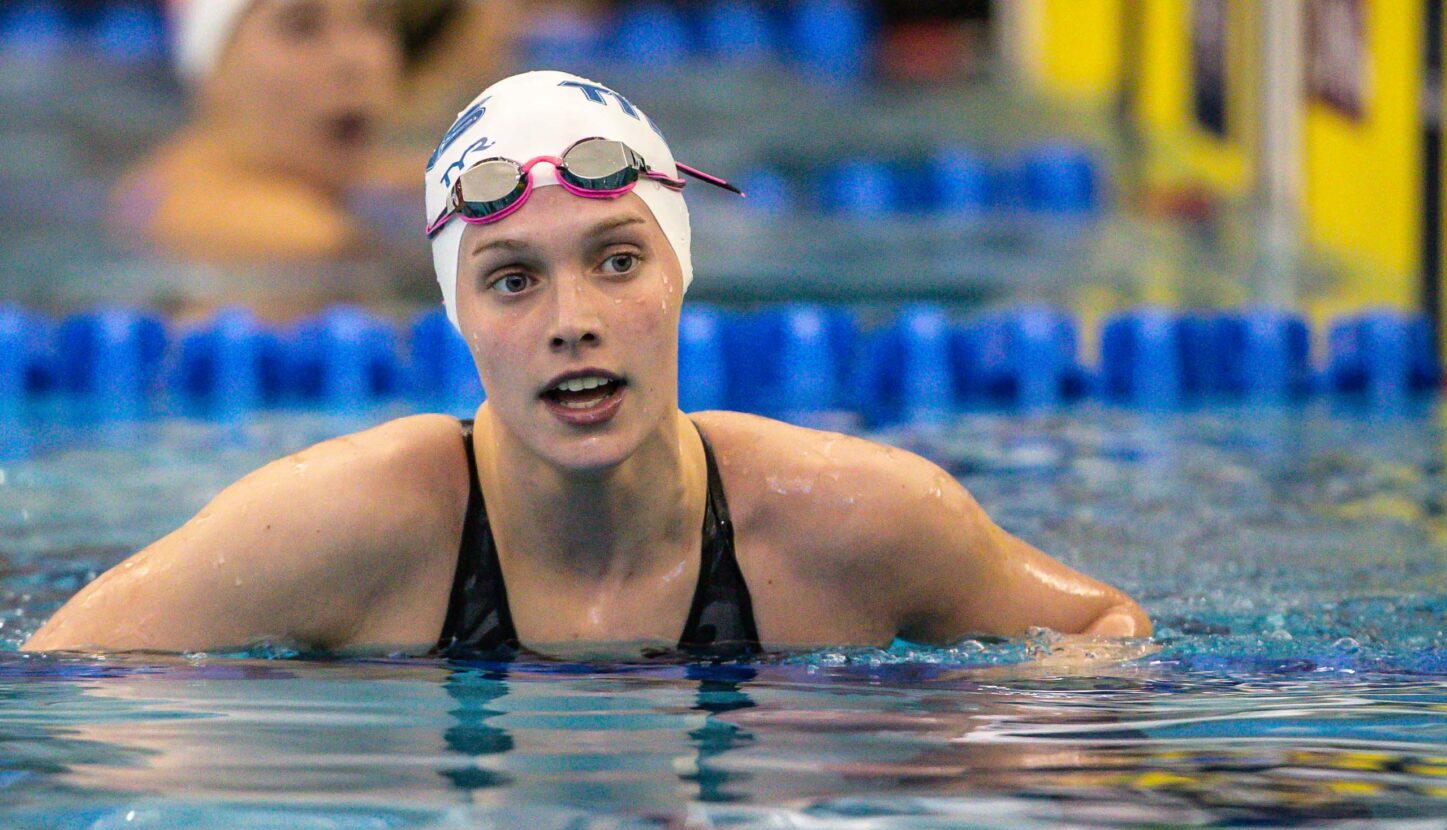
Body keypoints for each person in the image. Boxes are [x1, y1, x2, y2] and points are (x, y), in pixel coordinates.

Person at [26, 71, 1150, 658]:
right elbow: (60, 675)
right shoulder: (351, 520)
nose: (574, 320)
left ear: (681, 275)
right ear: (458, 317)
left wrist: (1011, 735)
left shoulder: (850, 516)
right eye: (513, 279)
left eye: (616, 261)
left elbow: (1110, 632)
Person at [109, 0, 403, 261]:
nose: (355, 61)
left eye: (372, 18)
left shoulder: (172, 172)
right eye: (302, 27)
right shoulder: (300, 235)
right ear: (211, 70)